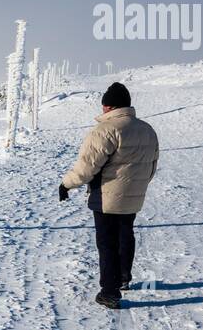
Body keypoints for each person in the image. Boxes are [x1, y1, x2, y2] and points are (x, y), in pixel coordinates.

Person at [59, 82, 159, 309]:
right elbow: (152, 165)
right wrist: (138, 186)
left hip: (106, 195)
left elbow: (87, 167)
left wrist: (66, 184)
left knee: (107, 243)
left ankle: (109, 292)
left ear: (108, 106)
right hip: (134, 195)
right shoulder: (147, 129)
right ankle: (123, 277)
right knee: (125, 234)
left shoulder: (105, 130)